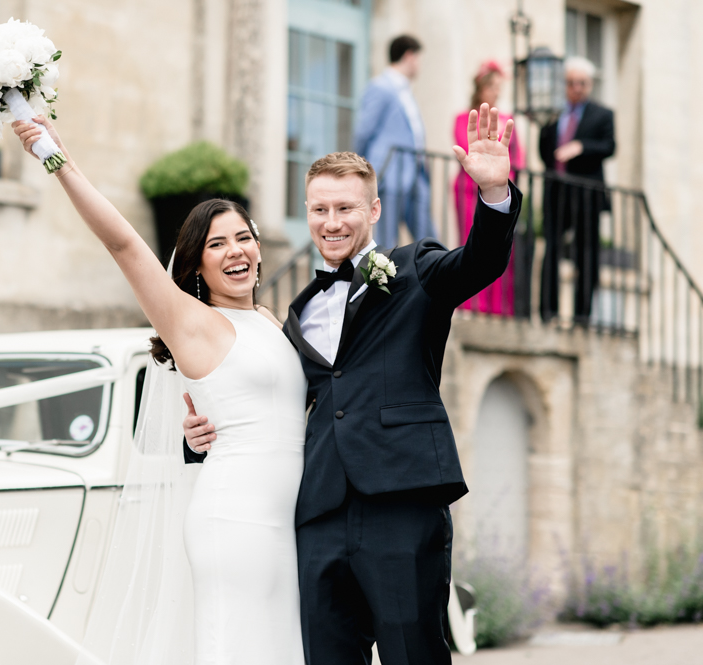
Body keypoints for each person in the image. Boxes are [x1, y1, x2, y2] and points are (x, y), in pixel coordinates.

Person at [185, 104, 521, 665]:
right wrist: (198, 435)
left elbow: (480, 263)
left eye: (345, 208)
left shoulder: (416, 269)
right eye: (320, 209)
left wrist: (493, 194)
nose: (332, 222)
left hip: (401, 500)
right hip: (318, 511)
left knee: (413, 654)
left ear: (374, 210)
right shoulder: (296, 311)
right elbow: (271, 398)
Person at [13, 118, 308, 665]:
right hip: (235, 521)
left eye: (243, 237)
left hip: (289, 524)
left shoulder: (269, 320)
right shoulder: (192, 323)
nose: (235, 251)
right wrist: (60, 161)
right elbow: (123, 244)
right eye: (216, 244)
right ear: (196, 264)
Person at [539, 56, 615, 324]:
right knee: (551, 250)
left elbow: (609, 146)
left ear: (590, 84)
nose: (576, 88)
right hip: (557, 194)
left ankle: (582, 317)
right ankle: (548, 311)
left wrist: (581, 146)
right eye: (571, 83)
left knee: (586, 254)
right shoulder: (554, 115)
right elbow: (545, 152)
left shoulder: (602, 114)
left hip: (586, 195)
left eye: (581, 83)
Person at [453, 60, 525, 316]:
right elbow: (466, 149)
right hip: (468, 189)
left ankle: (499, 306)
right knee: (471, 241)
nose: (497, 92)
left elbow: (519, 157)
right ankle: (472, 301)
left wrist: (505, 177)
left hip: (501, 187)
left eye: (499, 87)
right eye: (492, 86)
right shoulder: (464, 118)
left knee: (501, 245)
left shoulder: (507, 120)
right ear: (481, 88)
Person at [353, 34, 437, 249]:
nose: (419, 65)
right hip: (388, 174)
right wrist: (358, 170)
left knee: (429, 239)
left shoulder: (406, 91)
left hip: (416, 174)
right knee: (385, 242)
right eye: (418, 58)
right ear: (409, 56)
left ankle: (436, 268)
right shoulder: (380, 87)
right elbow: (363, 131)